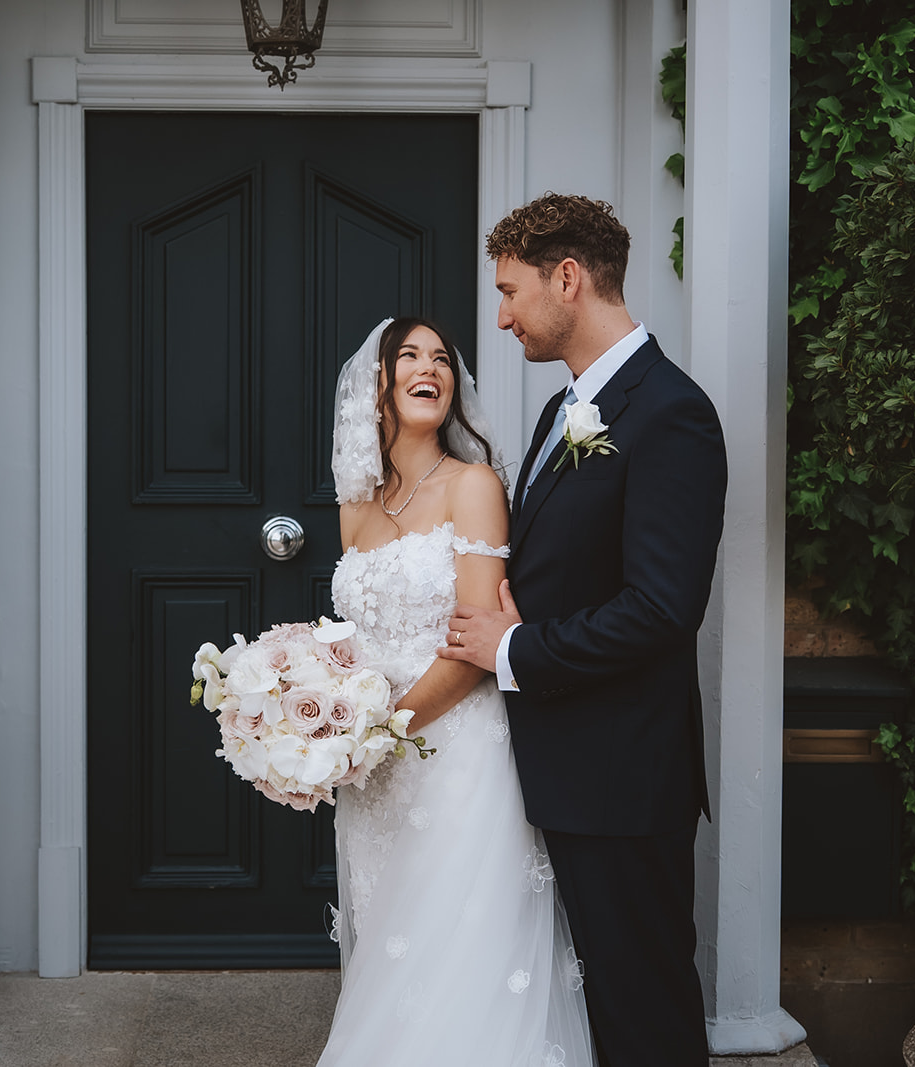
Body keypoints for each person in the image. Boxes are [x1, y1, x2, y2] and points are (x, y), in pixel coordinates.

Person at [437, 193, 728, 1066]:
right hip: (562, 767)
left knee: (643, 1004)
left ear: (568, 277)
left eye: (512, 290)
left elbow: (663, 609)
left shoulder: (670, 410)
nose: (502, 315)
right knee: (589, 999)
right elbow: (567, 560)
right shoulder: (563, 408)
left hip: (623, 775)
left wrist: (513, 647)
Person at [317, 316, 595, 1067]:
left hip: (457, 758)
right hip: (374, 776)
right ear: (377, 382)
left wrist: (377, 728)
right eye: (408, 355)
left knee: (456, 954)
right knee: (391, 954)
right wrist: (320, 716)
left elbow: (476, 648)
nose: (428, 367)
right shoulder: (357, 507)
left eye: (441, 358)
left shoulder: (473, 486)